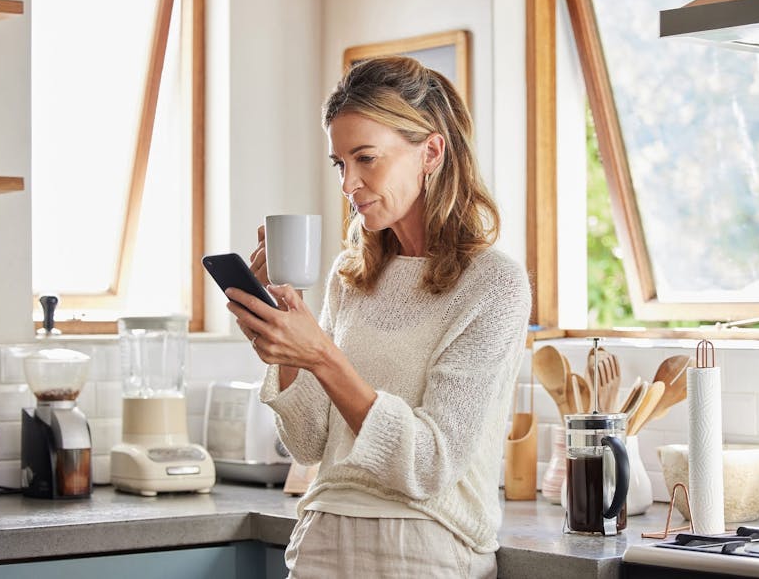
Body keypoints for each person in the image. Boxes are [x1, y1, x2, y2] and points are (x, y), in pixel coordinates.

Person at [226, 55, 531, 578]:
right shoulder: (354, 277)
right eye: (340, 164)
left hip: (424, 548)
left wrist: (321, 355)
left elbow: (429, 464)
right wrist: (283, 349)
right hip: (322, 538)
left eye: (366, 158)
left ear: (431, 151)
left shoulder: (493, 284)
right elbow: (309, 444)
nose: (349, 184)